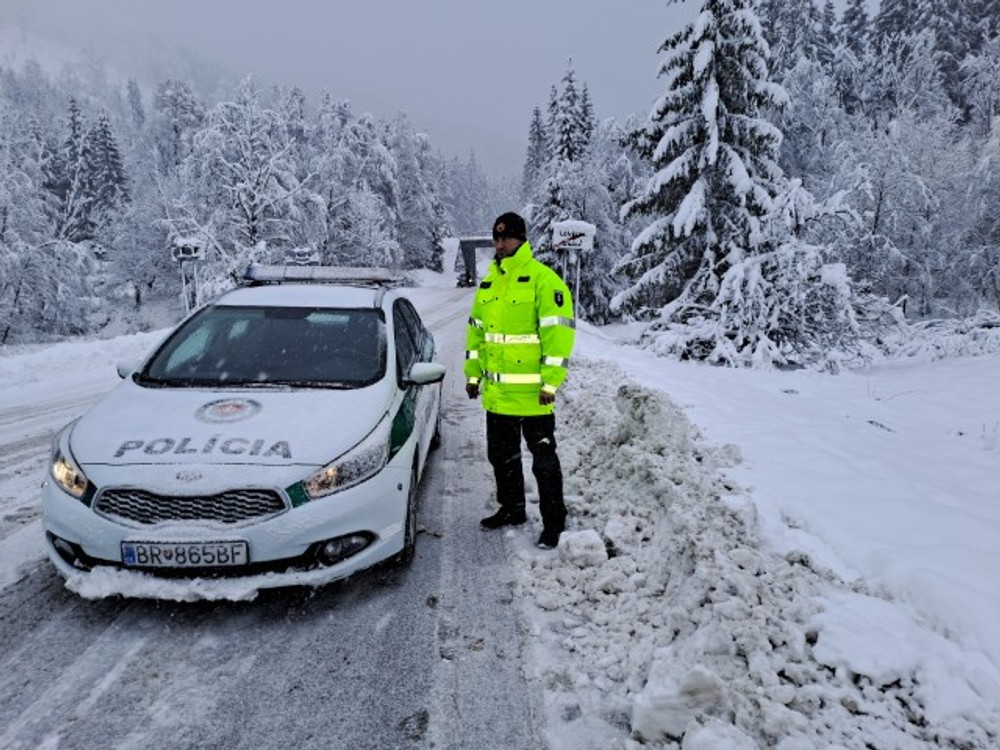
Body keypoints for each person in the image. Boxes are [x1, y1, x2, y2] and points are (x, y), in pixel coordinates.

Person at [464, 212, 576, 549]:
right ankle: (512, 509)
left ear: (521, 239)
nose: (500, 243)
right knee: (502, 458)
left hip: (534, 397)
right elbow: (477, 334)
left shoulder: (543, 279)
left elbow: (558, 335)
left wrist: (550, 383)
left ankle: (554, 522)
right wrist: (472, 375)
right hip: (498, 396)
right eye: (497, 238)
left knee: (544, 463)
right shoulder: (489, 283)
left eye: (507, 238)